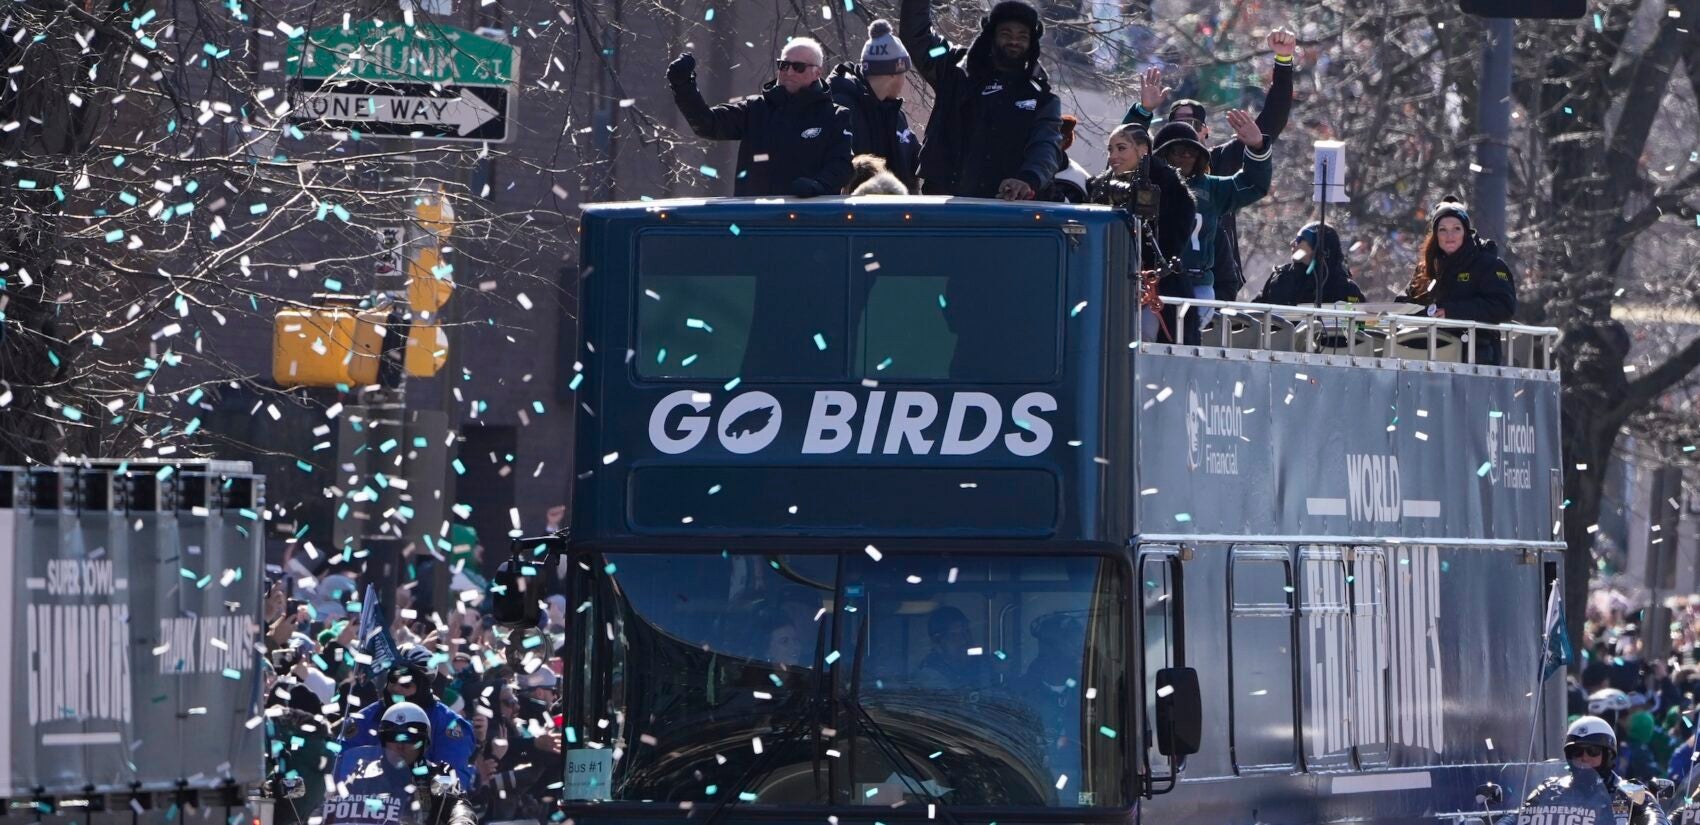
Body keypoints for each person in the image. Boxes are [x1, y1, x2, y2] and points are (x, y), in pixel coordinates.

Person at [1123, 29, 1298, 301]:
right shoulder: (1154, 169)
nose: (1184, 148)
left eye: (1192, 125)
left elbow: (1271, 123)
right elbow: (1123, 150)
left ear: (1205, 132)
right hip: (1157, 280)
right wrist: (1143, 111)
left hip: (1214, 280)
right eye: (1176, 124)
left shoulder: (1220, 161)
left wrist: (1284, 61)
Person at [899, 0, 1063, 199]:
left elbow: (1046, 146)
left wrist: (1028, 180)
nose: (1014, 41)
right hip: (946, 204)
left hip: (1006, 210)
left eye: (1022, 36)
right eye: (1006, 34)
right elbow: (918, 38)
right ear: (991, 36)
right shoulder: (953, 68)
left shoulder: (1042, 98)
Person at [667, 39, 853, 198]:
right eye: (784, 65)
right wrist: (683, 85)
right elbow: (707, 124)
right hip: (754, 220)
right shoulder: (755, 109)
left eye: (798, 67)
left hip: (807, 221)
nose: (789, 72)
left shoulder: (835, 116)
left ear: (817, 73)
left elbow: (841, 165)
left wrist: (818, 186)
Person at [1152, 117, 1272, 343]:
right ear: (1161, 155)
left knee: (1181, 342)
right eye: (1178, 151)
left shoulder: (1212, 188)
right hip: (1153, 286)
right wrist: (1142, 112)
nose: (1185, 157)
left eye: (1192, 152)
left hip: (1197, 287)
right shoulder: (1147, 187)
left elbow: (1254, 185)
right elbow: (1121, 158)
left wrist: (1258, 147)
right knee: (1146, 339)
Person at [1397, 196, 1517, 365]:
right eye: (1443, 230)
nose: (1449, 236)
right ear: (1435, 235)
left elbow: (1504, 306)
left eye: (1456, 229)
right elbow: (1404, 302)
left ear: (1466, 232)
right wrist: (1392, 311)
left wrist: (1452, 312)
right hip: (1424, 352)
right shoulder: (1427, 268)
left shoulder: (1487, 265)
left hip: (1474, 356)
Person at [339, 644, 478, 789]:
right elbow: (340, 763)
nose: (397, 688)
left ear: (422, 687)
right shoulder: (364, 719)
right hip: (364, 804)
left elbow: (454, 778)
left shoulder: (449, 724)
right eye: (393, 679)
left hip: (421, 805)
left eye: (406, 684)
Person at [329, 702, 476, 825]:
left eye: (410, 738)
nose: (400, 745)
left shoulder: (437, 777)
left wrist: (461, 820)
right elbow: (332, 807)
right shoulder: (363, 773)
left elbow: (459, 807)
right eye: (393, 737)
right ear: (383, 741)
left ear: (424, 743)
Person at [1513, 716, 1667, 825]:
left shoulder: (1630, 790)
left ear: (1608, 755)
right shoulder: (1551, 789)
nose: (1584, 757)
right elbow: (1517, 816)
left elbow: (1654, 815)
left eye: (1592, 751)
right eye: (1577, 752)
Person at [829, 20, 918, 192]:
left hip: (897, 214)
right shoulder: (841, 110)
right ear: (893, 73)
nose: (904, 81)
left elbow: (917, 159)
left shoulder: (894, 114)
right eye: (904, 73)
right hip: (854, 215)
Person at [1254, 221, 1366, 306]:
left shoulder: (1346, 289)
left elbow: (1361, 326)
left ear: (1318, 248)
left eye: (1299, 239)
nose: (1292, 243)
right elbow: (1254, 313)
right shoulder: (1280, 278)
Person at [915, 606, 986, 690]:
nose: (964, 640)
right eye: (954, 636)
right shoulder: (929, 674)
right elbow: (949, 701)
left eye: (966, 632)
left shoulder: (981, 662)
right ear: (938, 641)